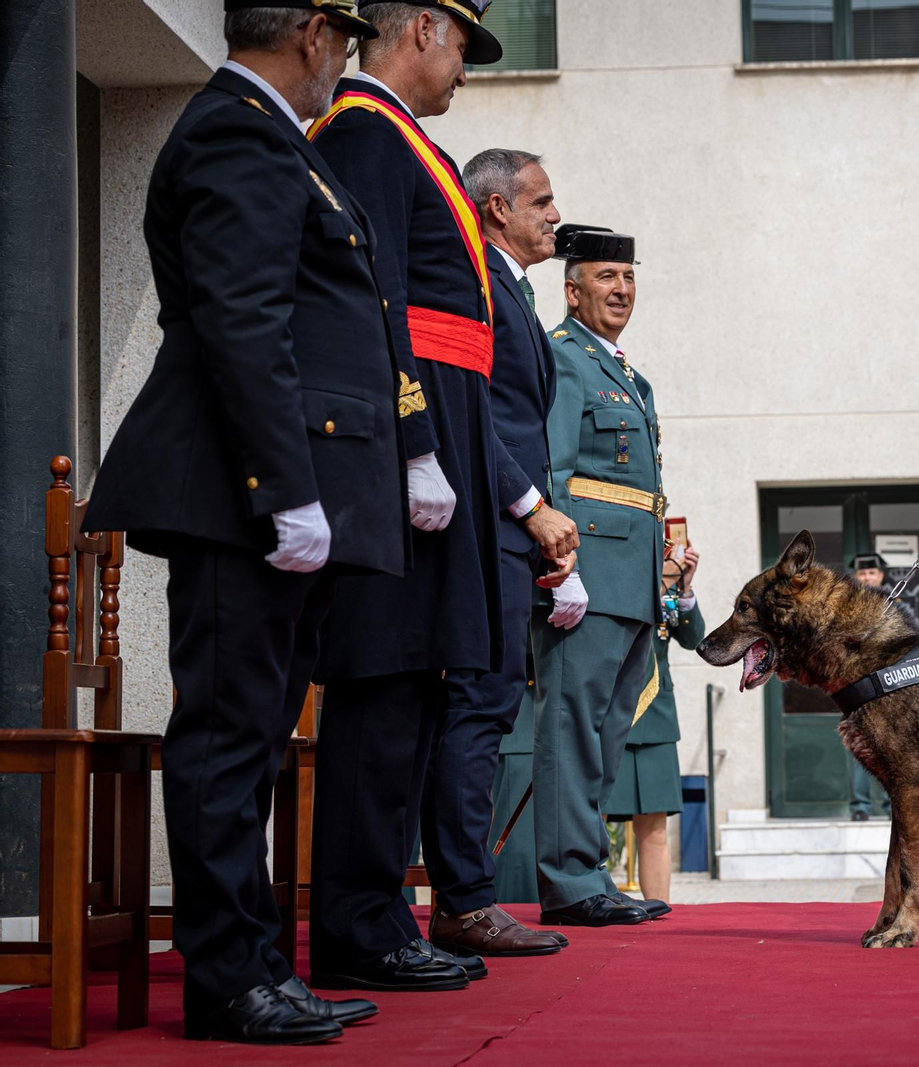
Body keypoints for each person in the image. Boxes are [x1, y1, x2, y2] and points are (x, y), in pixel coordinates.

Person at [81, 0, 403, 1043]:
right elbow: (241, 316)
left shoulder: (269, 137)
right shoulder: (237, 129)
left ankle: (256, 962)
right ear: (312, 32)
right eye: (345, 44)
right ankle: (228, 978)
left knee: (254, 735)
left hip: (253, 489)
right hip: (236, 494)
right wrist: (287, 484)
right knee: (228, 737)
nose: (340, 66)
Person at [305, 0, 510, 993]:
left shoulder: (398, 136)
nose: (465, 68)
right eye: (465, 45)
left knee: (419, 684)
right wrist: (415, 440)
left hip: (441, 436)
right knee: (385, 686)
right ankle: (356, 922)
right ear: (424, 29)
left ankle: (382, 912)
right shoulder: (364, 129)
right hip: (406, 444)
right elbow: (372, 296)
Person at [415, 148, 579, 959]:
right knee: (477, 707)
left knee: (488, 705)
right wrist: (529, 506)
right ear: (494, 208)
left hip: (509, 525)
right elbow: (473, 411)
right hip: (484, 520)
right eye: (540, 201)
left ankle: (463, 892)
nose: (555, 215)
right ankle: (464, 898)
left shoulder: (509, 286)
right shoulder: (477, 280)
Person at [527, 224, 668, 927]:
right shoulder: (567, 360)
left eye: (628, 277)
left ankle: (589, 871)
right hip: (586, 575)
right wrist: (561, 569)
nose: (620, 290)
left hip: (631, 581)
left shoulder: (626, 374)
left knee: (606, 735)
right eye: (605, 278)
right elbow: (550, 471)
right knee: (572, 730)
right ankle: (568, 879)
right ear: (572, 287)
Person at [602, 546, 706, 903]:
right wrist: (660, 581)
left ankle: (660, 914)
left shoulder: (668, 579)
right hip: (605, 710)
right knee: (588, 823)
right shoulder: (611, 562)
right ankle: (585, 903)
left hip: (655, 716)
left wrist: (684, 588)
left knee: (655, 827)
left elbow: (694, 639)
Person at [847, 553, 892, 821]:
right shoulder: (847, 607)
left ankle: (891, 806)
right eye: (862, 574)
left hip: (891, 686)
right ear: (856, 577)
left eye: (871, 573)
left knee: (894, 747)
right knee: (858, 745)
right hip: (858, 685)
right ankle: (860, 807)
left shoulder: (895, 604)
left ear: (881, 576)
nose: (867, 577)